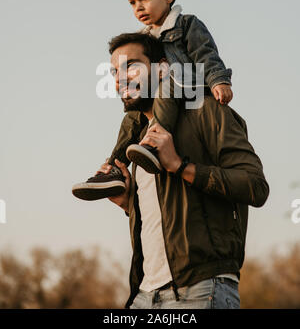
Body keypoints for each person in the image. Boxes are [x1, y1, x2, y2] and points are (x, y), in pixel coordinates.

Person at [97, 32, 269, 309]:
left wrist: (180, 166)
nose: (120, 78)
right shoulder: (138, 138)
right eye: (114, 71)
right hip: (143, 293)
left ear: (163, 69)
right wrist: (130, 203)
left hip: (202, 289)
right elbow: (172, 213)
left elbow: (256, 186)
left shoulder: (206, 111)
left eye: (131, 66)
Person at [72, 0, 233, 200]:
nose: (139, 7)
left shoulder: (186, 24)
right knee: (131, 118)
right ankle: (114, 169)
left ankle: (153, 143)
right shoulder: (145, 37)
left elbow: (206, 54)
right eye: (132, 2)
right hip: (160, 96)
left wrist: (219, 80)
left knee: (167, 83)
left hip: (188, 86)